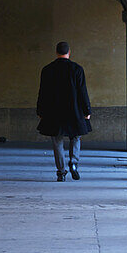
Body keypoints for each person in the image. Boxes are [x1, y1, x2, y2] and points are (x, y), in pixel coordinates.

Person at [37, 42, 92, 181]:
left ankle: (61, 172)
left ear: (56, 52)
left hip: (54, 112)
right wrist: (87, 110)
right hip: (74, 111)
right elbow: (82, 92)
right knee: (76, 137)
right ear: (69, 52)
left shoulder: (47, 70)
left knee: (57, 140)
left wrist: (40, 110)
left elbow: (43, 93)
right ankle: (74, 163)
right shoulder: (77, 69)